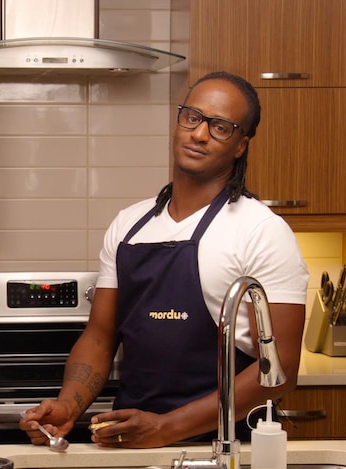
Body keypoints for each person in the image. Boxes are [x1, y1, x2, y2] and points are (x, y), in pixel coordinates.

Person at [20, 72, 308, 449]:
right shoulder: (129, 225)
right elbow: (100, 337)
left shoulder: (262, 231)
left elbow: (279, 372)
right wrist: (68, 405)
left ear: (241, 145)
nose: (199, 134)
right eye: (192, 117)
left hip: (225, 450)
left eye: (220, 126)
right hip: (129, 441)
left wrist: (166, 428)